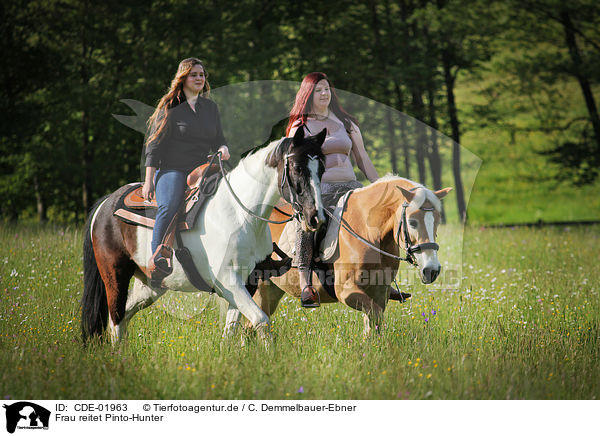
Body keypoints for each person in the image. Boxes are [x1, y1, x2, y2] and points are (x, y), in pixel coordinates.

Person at [286, 72, 379, 307]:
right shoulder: (301, 126)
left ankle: (385, 283)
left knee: (380, 222)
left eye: (327, 89)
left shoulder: (347, 124)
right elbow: (294, 165)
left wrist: (379, 186)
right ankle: (305, 283)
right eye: (318, 90)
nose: (324, 93)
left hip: (351, 187)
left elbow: (363, 159)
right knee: (307, 224)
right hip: (320, 189)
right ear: (308, 94)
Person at [142, 57, 230, 285]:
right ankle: (157, 259)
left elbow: (220, 140)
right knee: (169, 206)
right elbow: (154, 146)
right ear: (183, 78)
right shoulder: (169, 107)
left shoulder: (210, 108)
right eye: (194, 75)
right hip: (173, 169)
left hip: (204, 169)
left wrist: (223, 149)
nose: (199, 78)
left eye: (202, 75)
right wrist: (148, 180)